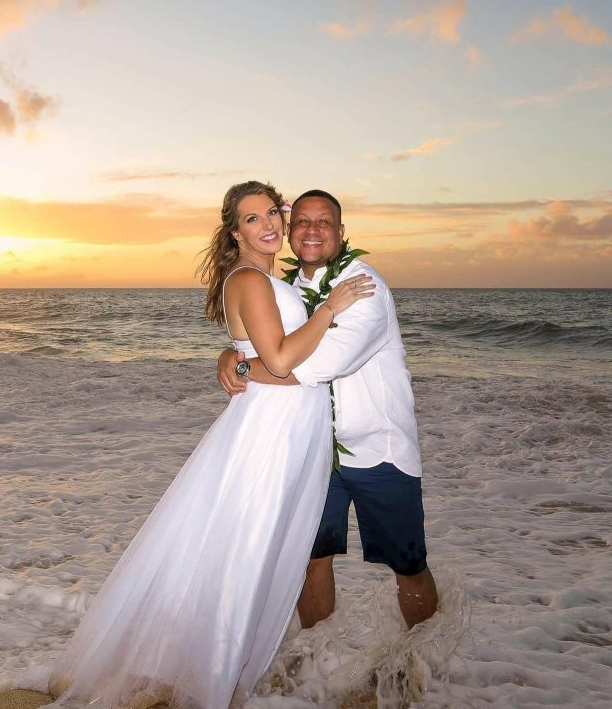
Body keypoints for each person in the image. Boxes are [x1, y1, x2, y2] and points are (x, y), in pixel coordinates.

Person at [45, 182, 375, 709]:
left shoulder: (266, 278)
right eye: (252, 219)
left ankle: (229, 670)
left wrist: (237, 358)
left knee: (253, 546)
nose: (268, 225)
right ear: (234, 231)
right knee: (247, 548)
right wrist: (329, 309)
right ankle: (217, 683)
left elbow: (260, 355)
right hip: (272, 430)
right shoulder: (249, 278)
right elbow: (285, 359)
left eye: (272, 213)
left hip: (286, 424)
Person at [217, 189, 439, 632]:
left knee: (407, 563)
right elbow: (267, 336)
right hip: (313, 448)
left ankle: (422, 668)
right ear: (289, 229)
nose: (311, 230)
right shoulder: (291, 289)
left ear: (341, 232)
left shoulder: (363, 287)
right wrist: (231, 351)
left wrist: (240, 363)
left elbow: (313, 365)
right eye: (301, 221)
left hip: (379, 449)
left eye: (323, 222)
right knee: (312, 559)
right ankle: (319, 667)